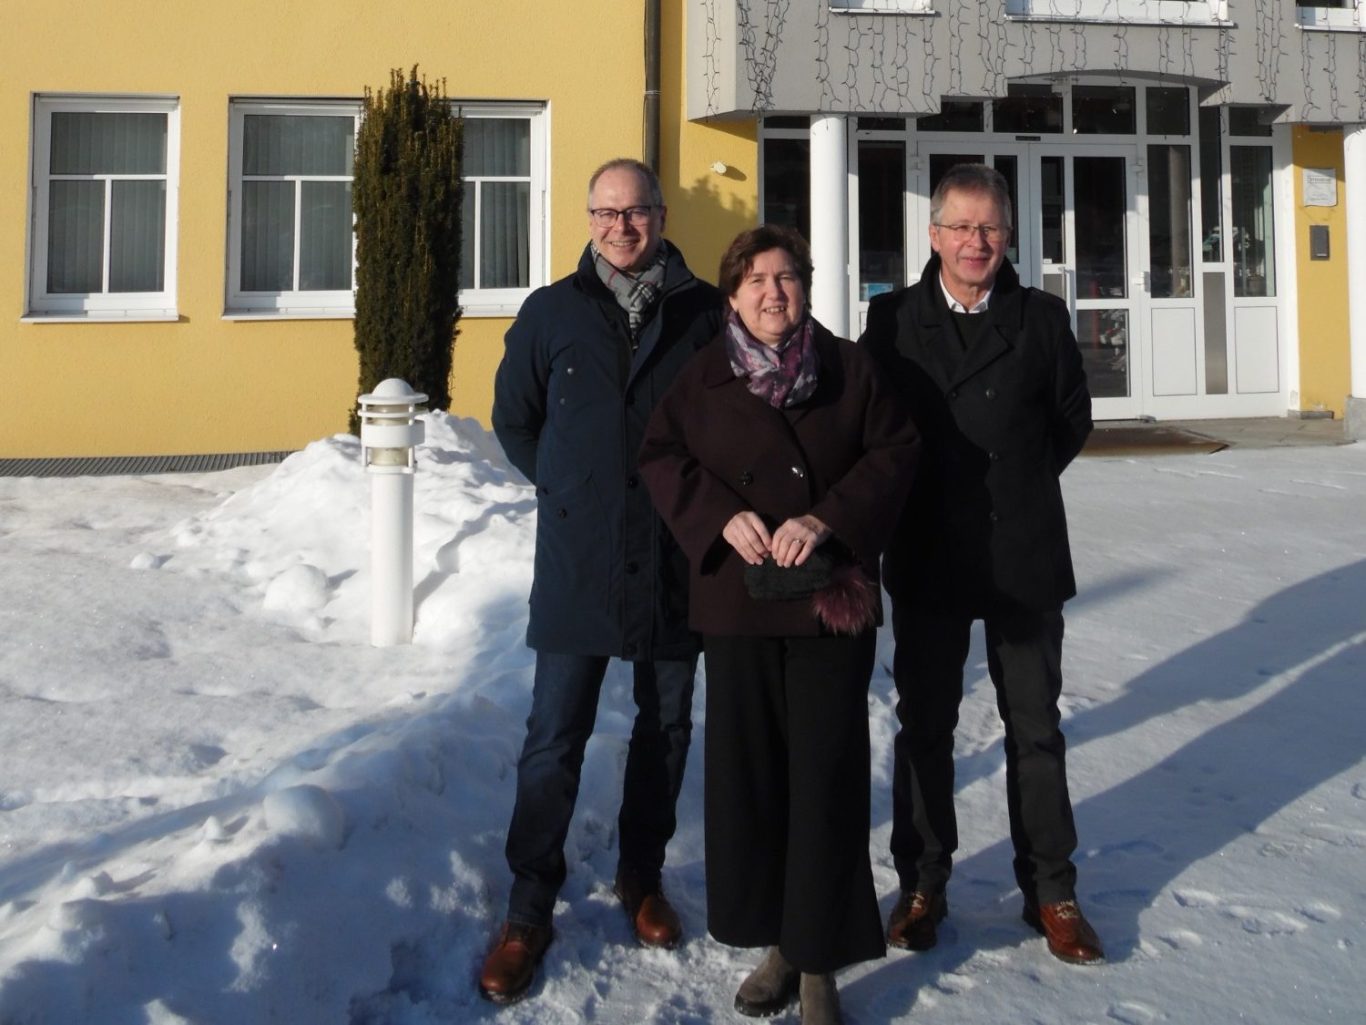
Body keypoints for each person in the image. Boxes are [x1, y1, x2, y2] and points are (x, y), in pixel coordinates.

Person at [639, 225, 919, 1024]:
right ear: (732, 294)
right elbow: (660, 455)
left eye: (787, 276)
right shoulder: (703, 375)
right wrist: (718, 516)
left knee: (825, 778)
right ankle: (780, 943)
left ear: (806, 286)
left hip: (830, 599)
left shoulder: (850, 367)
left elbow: (896, 452)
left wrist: (828, 518)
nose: (773, 292)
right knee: (754, 780)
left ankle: (819, 957)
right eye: (756, 279)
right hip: (741, 603)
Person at [480, 158, 724, 1004]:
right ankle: (528, 905)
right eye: (607, 212)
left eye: (637, 211)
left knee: (666, 726)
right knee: (554, 733)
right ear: (588, 219)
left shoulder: (704, 313)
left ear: (662, 214)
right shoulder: (552, 312)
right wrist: (567, 487)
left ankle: (641, 874)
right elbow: (515, 419)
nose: (622, 227)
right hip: (578, 559)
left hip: (671, 554)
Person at [859, 163, 1104, 965]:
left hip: (1020, 552)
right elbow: (872, 425)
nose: (976, 242)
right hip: (929, 550)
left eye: (990, 227)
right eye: (961, 227)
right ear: (933, 235)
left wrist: (1015, 484)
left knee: (1036, 729)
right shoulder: (892, 320)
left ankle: (1051, 889)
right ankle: (922, 884)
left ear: (1008, 235)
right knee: (925, 726)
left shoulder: (1041, 317)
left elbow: (1070, 418)